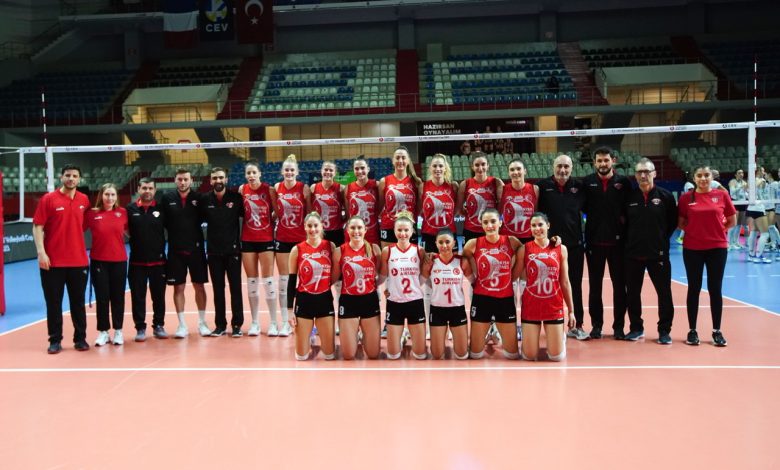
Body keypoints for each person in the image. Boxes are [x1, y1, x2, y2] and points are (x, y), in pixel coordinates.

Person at [32, 164, 90, 354]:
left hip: (79, 261)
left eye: (74, 176)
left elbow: (84, 225)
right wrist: (41, 252)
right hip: (53, 262)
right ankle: (55, 340)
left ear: (79, 179)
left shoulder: (84, 200)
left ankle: (80, 339)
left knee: (78, 303)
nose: (71, 178)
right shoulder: (48, 199)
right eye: (67, 175)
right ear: (61, 177)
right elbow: (37, 226)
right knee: (54, 303)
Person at [677, 165, 737, 347]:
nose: (703, 178)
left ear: (712, 177)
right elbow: (681, 222)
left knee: (715, 289)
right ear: (694, 178)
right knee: (694, 288)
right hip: (692, 248)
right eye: (699, 175)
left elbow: (732, 220)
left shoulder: (722, 195)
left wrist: (717, 231)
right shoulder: (686, 198)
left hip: (717, 248)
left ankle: (716, 331)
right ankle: (692, 330)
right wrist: (696, 232)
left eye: (706, 175)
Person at [624, 159, 677, 344]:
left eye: (647, 171)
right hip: (633, 254)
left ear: (654, 173)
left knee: (664, 294)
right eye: (639, 172)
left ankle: (664, 331)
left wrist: (660, 239)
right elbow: (624, 224)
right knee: (632, 294)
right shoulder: (629, 197)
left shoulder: (666, 196)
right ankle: (636, 328)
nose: (643, 175)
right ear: (635, 175)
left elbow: (672, 223)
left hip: (658, 254)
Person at [536, 154, 587, 340]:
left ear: (571, 168)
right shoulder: (543, 186)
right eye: (559, 166)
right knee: (546, 287)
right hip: (550, 248)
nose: (562, 170)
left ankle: (577, 325)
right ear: (553, 167)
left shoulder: (579, 187)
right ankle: (546, 325)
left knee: (575, 286)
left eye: (566, 166)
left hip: (574, 246)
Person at [582, 146, 630, 340]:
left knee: (620, 287)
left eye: (606, 160)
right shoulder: (587, 182)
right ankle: (597, 325)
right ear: (594, 163)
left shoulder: (623, 182)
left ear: (613, 161)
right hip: (594, 243)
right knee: (595, 288)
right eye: (599, 161)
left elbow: (628, 210)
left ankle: (619, 327)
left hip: (618, 244)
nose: (603, 164)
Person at [462, 208, 522, 359]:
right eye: (486, 222)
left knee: (513, 355)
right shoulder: (473, 244)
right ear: (481, 225)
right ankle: (489, 331)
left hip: (505, 299)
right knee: (475, 355)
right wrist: (473, 279)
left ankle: (494, 331)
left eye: (493, 221)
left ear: (500, 223)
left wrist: (512, 276)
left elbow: (526, 252)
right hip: (482, 299)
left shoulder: (512, 241)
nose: (489, 225)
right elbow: (464, 260)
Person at [516, 213, 575, 361]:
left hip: (553, 306)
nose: (537, 228)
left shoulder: (561, 249)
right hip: (531, 306)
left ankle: (560, 337)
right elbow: (513, 276)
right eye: (533, 226)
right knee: (529, 356)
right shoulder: (524, 249)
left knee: (556, 357)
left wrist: (571, 311)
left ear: (548, 226)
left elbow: (565, 282)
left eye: (540, 225)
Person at [162, 168, 210, 338]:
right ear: (175, 180)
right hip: (175, 250)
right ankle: (182, 325)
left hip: (196, 249)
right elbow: (162, 222)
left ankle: (202, 323)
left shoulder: (199, 198)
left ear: (191, 181)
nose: (182, 182)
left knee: (199, 286)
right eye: (180, 179)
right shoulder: (167, 198)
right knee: (178, 287)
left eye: (185, 179)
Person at [201, 167, 244, 337]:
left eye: (220, 177)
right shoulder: (205, 200)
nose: (218, 181)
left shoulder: (236, 198)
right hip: (213, 253)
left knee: (235, 289)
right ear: (211, 181)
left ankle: (237, 325)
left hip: (233, 252)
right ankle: (220, 325)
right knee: (218, 290)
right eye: (214, 178)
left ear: (226, 179)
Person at [498, 158, 538, 341]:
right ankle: (512, 323)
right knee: (511, 285)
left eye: (518, 169)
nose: (515, 172)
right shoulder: (502, 190)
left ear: (525, 171)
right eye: (512, 169)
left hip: (528, 241)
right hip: (509, 242)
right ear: (508, 173)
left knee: (526, 285)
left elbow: (538, 215)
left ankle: (526, 322)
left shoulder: (534, 190)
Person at [379, 211, 428, 360]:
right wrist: (386, 288)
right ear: (394, 231)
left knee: (420, 355)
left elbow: (422, 277)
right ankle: (401, 338)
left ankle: (406, 336)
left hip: (415, 302)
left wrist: (413, 287)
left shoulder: (419, 251)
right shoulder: (387, 251)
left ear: (412, 231)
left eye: (406, 230)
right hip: (395, 303)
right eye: (399, 230)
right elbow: (383, 276)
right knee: (393, 355)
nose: (402, 233)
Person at [84, 183, 128, 346]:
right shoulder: (91, 214)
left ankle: (118, 331)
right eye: (107, 194)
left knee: (118, 297)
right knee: (102, 298)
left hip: (119, 261)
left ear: (116, 197)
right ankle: (103, 332)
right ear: (101, 196)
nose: (110, 198)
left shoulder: (123, 213)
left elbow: (131, 232)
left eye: (113, 195)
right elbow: (75, 229)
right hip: (99, 261)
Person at [289, 212, 338, 360]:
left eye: (316, 225)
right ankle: (308, 333)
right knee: (301, 357)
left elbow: (336, 274)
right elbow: (291, 281)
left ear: (321, 226)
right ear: (305, 227)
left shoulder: (330, 246)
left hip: (324, 301)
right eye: (309, 226)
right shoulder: (297, 249)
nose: (313, 229)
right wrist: (289, 310)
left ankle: (315, 331)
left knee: (329, 355)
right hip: (304, 301)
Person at [334, 216, 382, 360]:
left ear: (365, 230)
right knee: (348, 355)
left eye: (359, 228)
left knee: (373, 354)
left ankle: (364, 334)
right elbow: (333, 278)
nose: (356, 231)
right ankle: (353, 333)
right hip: (348, 302)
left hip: (369, 301)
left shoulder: (374, 249)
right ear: (347, 230)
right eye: (353, 228)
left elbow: (380, 274)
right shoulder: (339, 251)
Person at [126, 177, 168, 341]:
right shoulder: (130, 209)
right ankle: (140, 328)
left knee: (159, 297)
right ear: (138, 189)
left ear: (155, 190)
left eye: (150, 188)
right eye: (144, 188)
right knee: (138, 297)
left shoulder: (161, 208)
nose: (147, 191)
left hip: (159, 262)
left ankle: (158, 325)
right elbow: (124, 229)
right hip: (137, 262)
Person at [274, 154, 311, 337]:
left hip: (300, 239)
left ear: (296, 172)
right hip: (282, 238)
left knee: (306, 281)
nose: (289, 173)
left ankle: (307, 320)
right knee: (284, 281)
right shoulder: (277, 187)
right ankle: (285, 322)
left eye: (291, 170)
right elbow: (275, 211)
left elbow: (310, 212)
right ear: (282, 172)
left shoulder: (303, 188)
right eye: (286, 170)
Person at [239, 162, 277, 336]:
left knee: (268, 280)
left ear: (260, 173)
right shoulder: (242, 190)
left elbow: (277, 211)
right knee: (252, 281)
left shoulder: (269, 190)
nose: (251, 175)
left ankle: (273, 323)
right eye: (248, 173)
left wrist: (266, 222)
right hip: (248, 239)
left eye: (254, 172)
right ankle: (254, 322)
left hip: (266, 238)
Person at [421, 229, 471, 360]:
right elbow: (419, 282)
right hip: (437, 310)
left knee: (462, 355)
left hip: (457, 310)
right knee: (437, 355)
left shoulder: (462, 261)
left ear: (454, 243)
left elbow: (474, 282)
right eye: (441, 242)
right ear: (436, 244)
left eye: (447, 242)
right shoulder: (431, 261)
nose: (444, 246)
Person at [377, 146, 421, 248]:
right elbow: (379, 207)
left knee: (410, 257)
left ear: (408, 161)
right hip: (389, 226)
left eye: (403, 158)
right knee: (388, 256)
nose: (400, 161)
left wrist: (410, 218)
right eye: (397, 158)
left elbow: (418, 208)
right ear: (393, 161)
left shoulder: (416, 182)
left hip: (409, 227)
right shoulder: (384, 181)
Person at [457, 152, 504, 244]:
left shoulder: (496, 182)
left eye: (483, 164)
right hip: (470, 229)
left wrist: (496, 221)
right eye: (477, 165)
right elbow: (458, 209)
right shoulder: (465, 184)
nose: (480, 168)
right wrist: (470, 215)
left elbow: (502, 207)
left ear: (488, 166)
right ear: (472, 167)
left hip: (490, 229)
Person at [419, 154, 457, 254]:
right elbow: (419, 209)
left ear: (445, 168)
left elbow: (457, 208)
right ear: (430, 168)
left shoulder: (453, 186)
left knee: (452, 262)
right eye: (435, 166)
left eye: (440, 166)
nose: (438, 169)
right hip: (428, 234)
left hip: (449, 234)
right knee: (429, 262)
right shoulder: (423, 186)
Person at [344, 156, 380, 245]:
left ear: (368, 169)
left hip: (372, 232)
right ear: (353, 171)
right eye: (356, 169)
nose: (360, 171)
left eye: (362, 168)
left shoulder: (376, 185)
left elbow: (381, 206)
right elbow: (348, 212)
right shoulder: (348, 187)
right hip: (354, 233)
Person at [311, 161, 345, 246]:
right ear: (321, 171)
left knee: (336, 254)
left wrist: (343, 220)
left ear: (335, 173)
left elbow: (347, 209)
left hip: (336, 231)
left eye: (331, 170)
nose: (328, 172)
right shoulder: (313, 188)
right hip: (318, 231)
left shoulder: (341, 188)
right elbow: (310, 210)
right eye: (326, 169)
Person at [746, 168, 774, 263]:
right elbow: (752, 189)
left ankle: (751, 255)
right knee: (765, 233)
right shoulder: (760, 180)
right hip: (758, 208)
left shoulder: (750, 180)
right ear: (758, 172)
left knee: (754, 232)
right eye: (762, 171)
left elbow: (746, 189)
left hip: (750, 208)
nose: (764, 172)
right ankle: (759, 255)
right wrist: (761, 180)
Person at [728, 169, 748, 250]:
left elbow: (746, 193)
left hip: (742, 203)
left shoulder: (744, 182)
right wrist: (741, 187)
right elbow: (732, 192)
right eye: (739, 173)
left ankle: (736, 242)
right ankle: (729, 243)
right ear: (735, 175)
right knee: (733, 224)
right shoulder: (733, 181)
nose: (741, 174)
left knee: (739, 224)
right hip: (735, 203)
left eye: (742, 173)